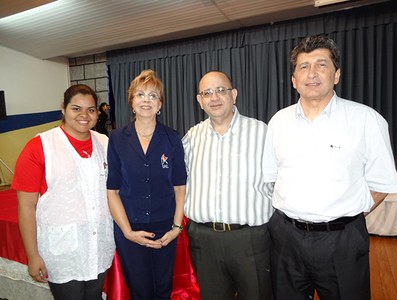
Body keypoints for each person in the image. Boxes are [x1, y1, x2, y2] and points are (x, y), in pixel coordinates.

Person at [263, 35, 397, 300]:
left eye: (321, 65)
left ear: (336, 75)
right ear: (293, 80)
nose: (311, 73)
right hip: (286, 240)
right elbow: (272, 177)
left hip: (342, 242)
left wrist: (343, 217)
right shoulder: (279, 122)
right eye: (303, 67)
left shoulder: (366, 120)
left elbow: (383, 184)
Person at [12, 84, 115, 300]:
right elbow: (26, 207)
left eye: (91, 109)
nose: (84, 115)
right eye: (76, 109)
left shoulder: (105, 143)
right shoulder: (40, 146)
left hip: (99, 244)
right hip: (62, 251)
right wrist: (33, 255)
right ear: (63, 109)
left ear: (98, 112)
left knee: (95, 297)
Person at [183, 71, 274, 300]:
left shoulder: (262, 133)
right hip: (204, 241)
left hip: (250, 241)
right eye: (207, 93)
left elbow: (279, 183)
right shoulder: (192, 137)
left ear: (234, 94)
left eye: (221, 90)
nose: (214, 97)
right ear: (199, 100)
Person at [106, 69, 187, 299]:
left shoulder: (172, 138)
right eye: (140, 94)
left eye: (153, 96)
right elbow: (112, 191)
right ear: (131, 101)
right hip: (130, 228)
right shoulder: (117, 139)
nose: (146, 100)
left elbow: (180, 188)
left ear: (160, 104)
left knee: (163, 290)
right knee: (140, 291)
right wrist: (128, 232)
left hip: (165, 229)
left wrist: (176, 228)